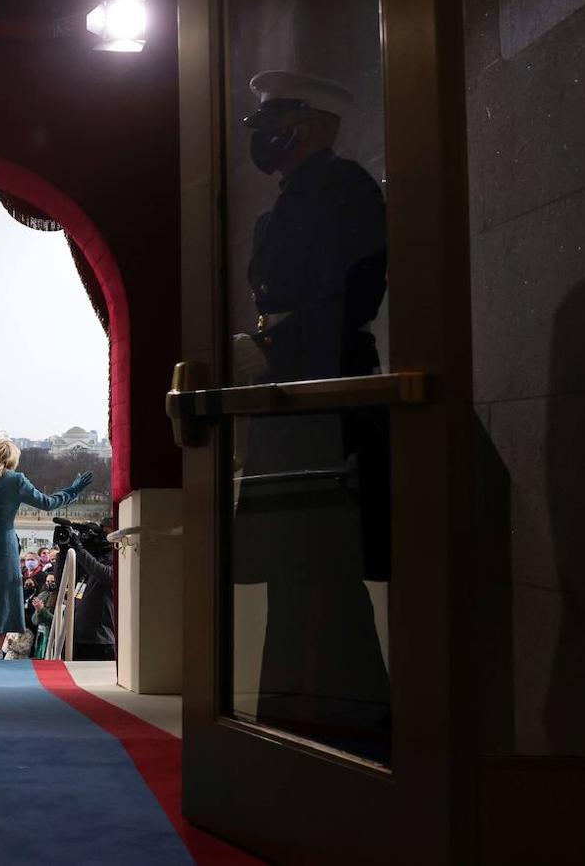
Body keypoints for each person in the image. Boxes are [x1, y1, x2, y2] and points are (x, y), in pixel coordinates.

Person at [232, 70, 392, 751]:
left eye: (279, 119)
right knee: (296, 572)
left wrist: (273, 348)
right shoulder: (290, 204)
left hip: (321, 392)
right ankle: (300, 715)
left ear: (317, 125)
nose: (266, 133)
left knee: (321, 568)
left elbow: (348, 301)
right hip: (293, 396)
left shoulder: (344, 190)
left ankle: (342, 719)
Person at [0, 437, 92, 658]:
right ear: (10, 457)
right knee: (4, 598)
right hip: (3, 545)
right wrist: (73, 490)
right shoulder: (16, 480)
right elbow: (47, 503)